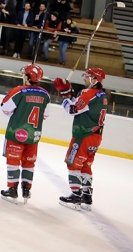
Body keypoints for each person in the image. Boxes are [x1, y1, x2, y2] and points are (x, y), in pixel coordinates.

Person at [54, 68, 108, 211]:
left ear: (95, 80)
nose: (84, 78)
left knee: (72, 163)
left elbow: (73, 109)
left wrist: (65, 97)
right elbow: (80, 103)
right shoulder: (101, 94)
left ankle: (76, 195)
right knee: (85, 166)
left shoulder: (89, 93)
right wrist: (70, 93)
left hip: (83, 135)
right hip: (96, 136)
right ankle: (86, 195)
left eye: (88, 76)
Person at [0, 64, 50, 203]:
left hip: (16, 133)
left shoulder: (19, 91)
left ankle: (12, 189)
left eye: (24, 74)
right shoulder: (45, 94)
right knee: (29, 163)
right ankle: (27, 190)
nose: (22, 76)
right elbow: (46, 115)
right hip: (33, 135)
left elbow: (5, 109)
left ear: (28, 77)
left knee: (13, 161)